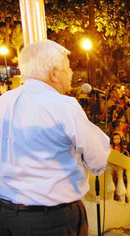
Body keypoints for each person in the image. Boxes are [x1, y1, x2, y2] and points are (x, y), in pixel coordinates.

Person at [0, 40, 111, 236]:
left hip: (6, 215)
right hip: (51, 220)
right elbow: (98, 159)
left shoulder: (4, 101)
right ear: (54, 73)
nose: (71, 74)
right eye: (67, 68)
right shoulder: (63, 106)